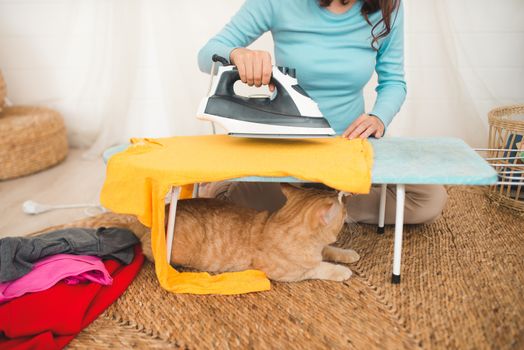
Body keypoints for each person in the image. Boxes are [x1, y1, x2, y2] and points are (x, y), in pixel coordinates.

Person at [198, 0, 448, 225]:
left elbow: (394, 81)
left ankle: (314, 207)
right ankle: (323, 206)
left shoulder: (387, 7)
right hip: (290, 151)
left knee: (427, 199)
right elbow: (206, 54)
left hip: (350, 145)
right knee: (229, 206)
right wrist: (237, 54)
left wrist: (377, 118)